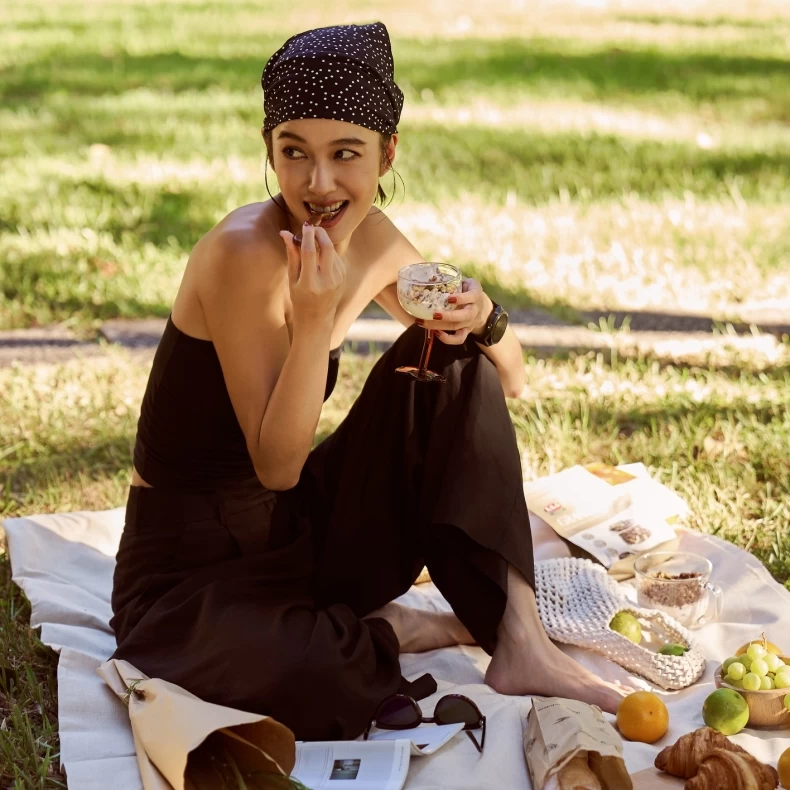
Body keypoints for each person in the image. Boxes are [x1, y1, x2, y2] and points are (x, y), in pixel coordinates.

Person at [110, 22, 627, 742]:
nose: (318, 184)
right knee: (326, 681)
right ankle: (388, 629)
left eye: (344, 154)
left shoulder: (375, 241)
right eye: (294, 153)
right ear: (270, 153)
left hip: (299, 540)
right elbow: (277, 466)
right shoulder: (242, 256)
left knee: (448, 360)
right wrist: (315, 319)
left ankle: (519, 641)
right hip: (189, 577)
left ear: (386, 153)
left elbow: (504, 382)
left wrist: (485, 319)